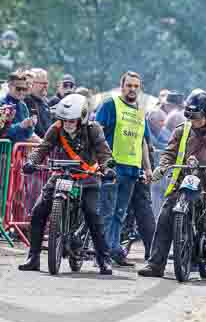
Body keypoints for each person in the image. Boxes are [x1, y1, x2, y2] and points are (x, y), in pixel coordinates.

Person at [140, 91, 206, 283]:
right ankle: (155, 264)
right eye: (189, 117)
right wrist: (162, 167)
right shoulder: (182, 130)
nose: (193, 121)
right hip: (186, 182)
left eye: (196, 117)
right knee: (166, 214)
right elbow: (169, 152)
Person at [18, 93, 116, 275]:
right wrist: (31, 161)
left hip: (87, 178)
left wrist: (107, 168)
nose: (68, 124)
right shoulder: (56, 129)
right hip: (61, 175)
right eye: (64, 120)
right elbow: (42, 148)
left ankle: (103, 259)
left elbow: (104, 152)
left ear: (82, 118)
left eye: (72, 120)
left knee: (93, 214)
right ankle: (33, 257)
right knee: (39, 210)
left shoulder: (93, 129)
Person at [95, 71, 154, 266]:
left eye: (136, 86)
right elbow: (97, 133)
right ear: (122, 87)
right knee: (107, 212)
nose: (132, 89)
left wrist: (147, 169)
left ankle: (113, 250)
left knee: (119, 213)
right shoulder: (110, 105)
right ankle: (102, 255)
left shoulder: (140, 110)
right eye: (129, 85)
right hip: (112, 168)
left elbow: (143, 142)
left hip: (131, 170)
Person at [0, 71, 35, 143]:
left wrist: (30, 126)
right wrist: (20, 126)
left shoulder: (23, 106)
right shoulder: (1, 104)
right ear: (10, 86)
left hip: (20, 151)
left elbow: (27, 135)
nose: (21, 92)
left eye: (24, 89)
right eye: (18, 88)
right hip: (4, 151)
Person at [26, 68, 52, 138]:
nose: (45, 86)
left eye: (47, 83)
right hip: (35, 145)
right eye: (42, 83)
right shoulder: (26, 101)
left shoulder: (46, 102)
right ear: (32, 83)